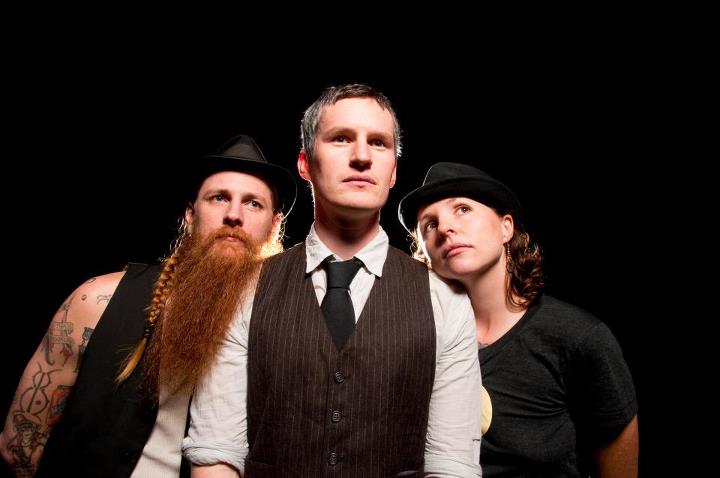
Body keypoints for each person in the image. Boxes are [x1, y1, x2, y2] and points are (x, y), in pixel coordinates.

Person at [183, 84, 482, 477]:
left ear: (393, 171)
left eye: (378, 143)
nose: (361, 156)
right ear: (305, 164)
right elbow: (216, 452)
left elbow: (452, 465)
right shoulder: (245, 290)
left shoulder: (445, 300)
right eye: (341, 138)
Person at [0, 134, 297, 478]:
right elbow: (19, 444)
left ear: (274, 226)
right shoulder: (96, 302)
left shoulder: (288, 330)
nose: (233, 215)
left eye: (253, 203)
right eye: (218, 198)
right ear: (190, 214)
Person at [398, 162, 639, 477]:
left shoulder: (578, 337)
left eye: (463, 209)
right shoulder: (412, 340)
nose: (445, 228)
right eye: (429, 224)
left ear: (506, 228)